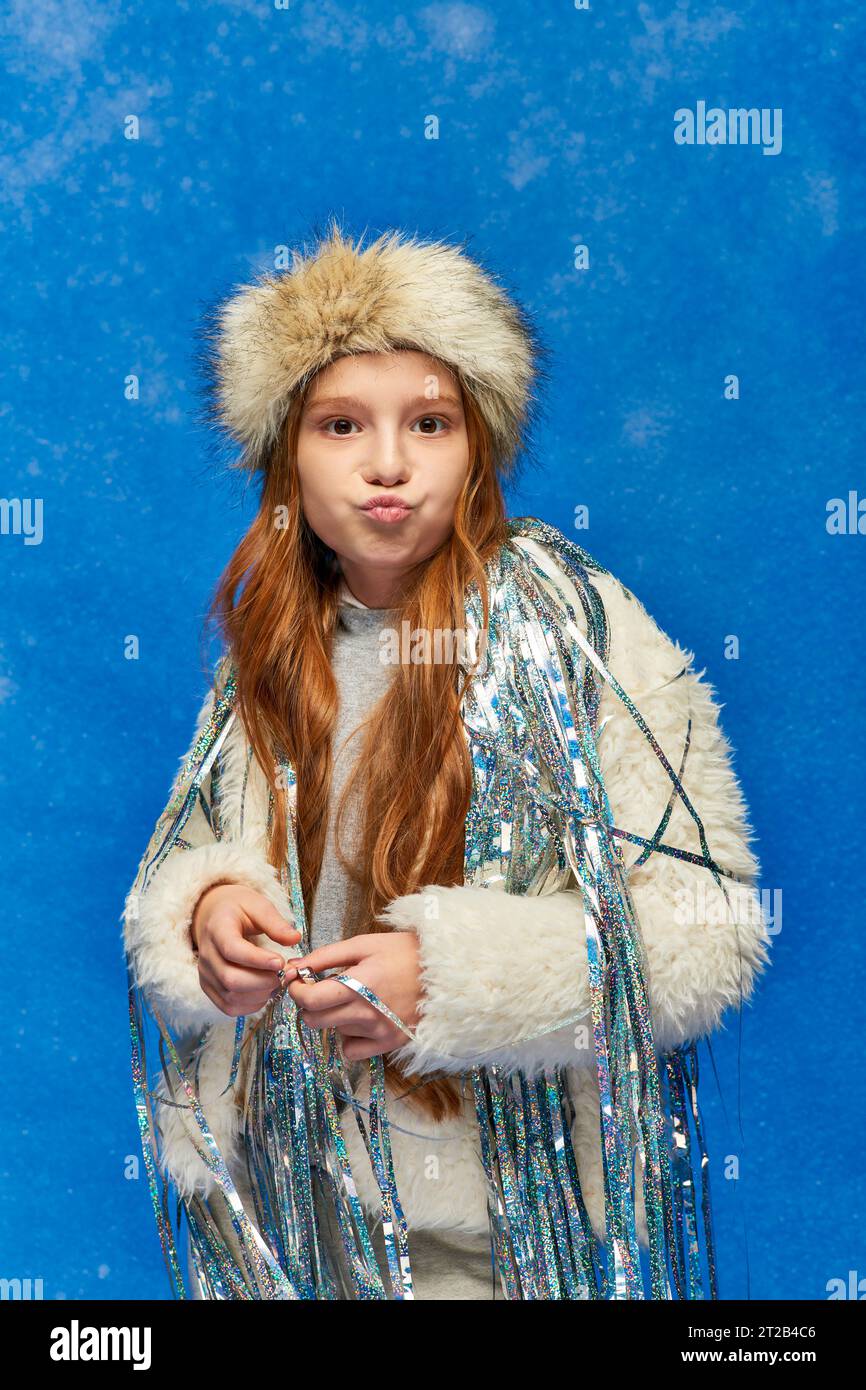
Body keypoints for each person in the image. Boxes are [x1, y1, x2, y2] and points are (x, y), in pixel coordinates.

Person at [122, 220, 771, 1300]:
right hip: (301, 1195)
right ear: (288, 455)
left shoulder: (577, 634)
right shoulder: (274, 658)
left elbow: (711, 931)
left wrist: (455, 978)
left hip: (499, 1213)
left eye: (428, 421)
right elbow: (183, 872)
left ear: (478, 445)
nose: (386, 465)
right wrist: (207, 924)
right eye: (340, 424)